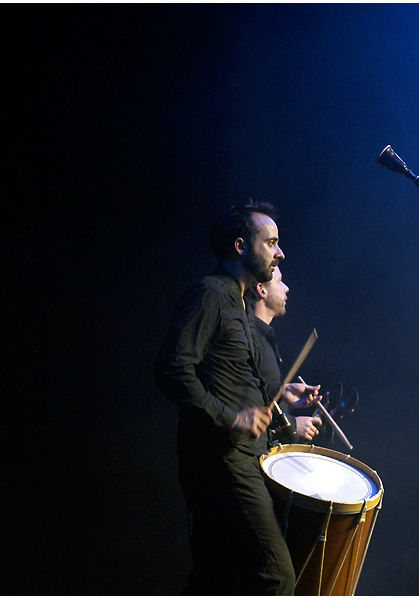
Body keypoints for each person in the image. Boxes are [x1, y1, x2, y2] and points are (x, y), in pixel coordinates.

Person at [154, 200, 322, 595]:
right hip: (224, 459)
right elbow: (172, 369)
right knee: (276, 576)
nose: (280, 253)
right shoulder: (211, 294)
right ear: (241, 246)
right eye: (271, 243)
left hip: (239, 457)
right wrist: (232, 419)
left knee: (218, 579)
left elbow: (230, 378)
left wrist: (278, 395)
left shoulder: (236, 302)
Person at [250, 266, 322, 443]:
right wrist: (292, 425)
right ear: (262, 289)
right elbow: (244, 398)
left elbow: (263, 392)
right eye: (280, 281)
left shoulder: (265, 338)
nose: (287, 288)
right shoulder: (249, 338)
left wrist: (283, 390)